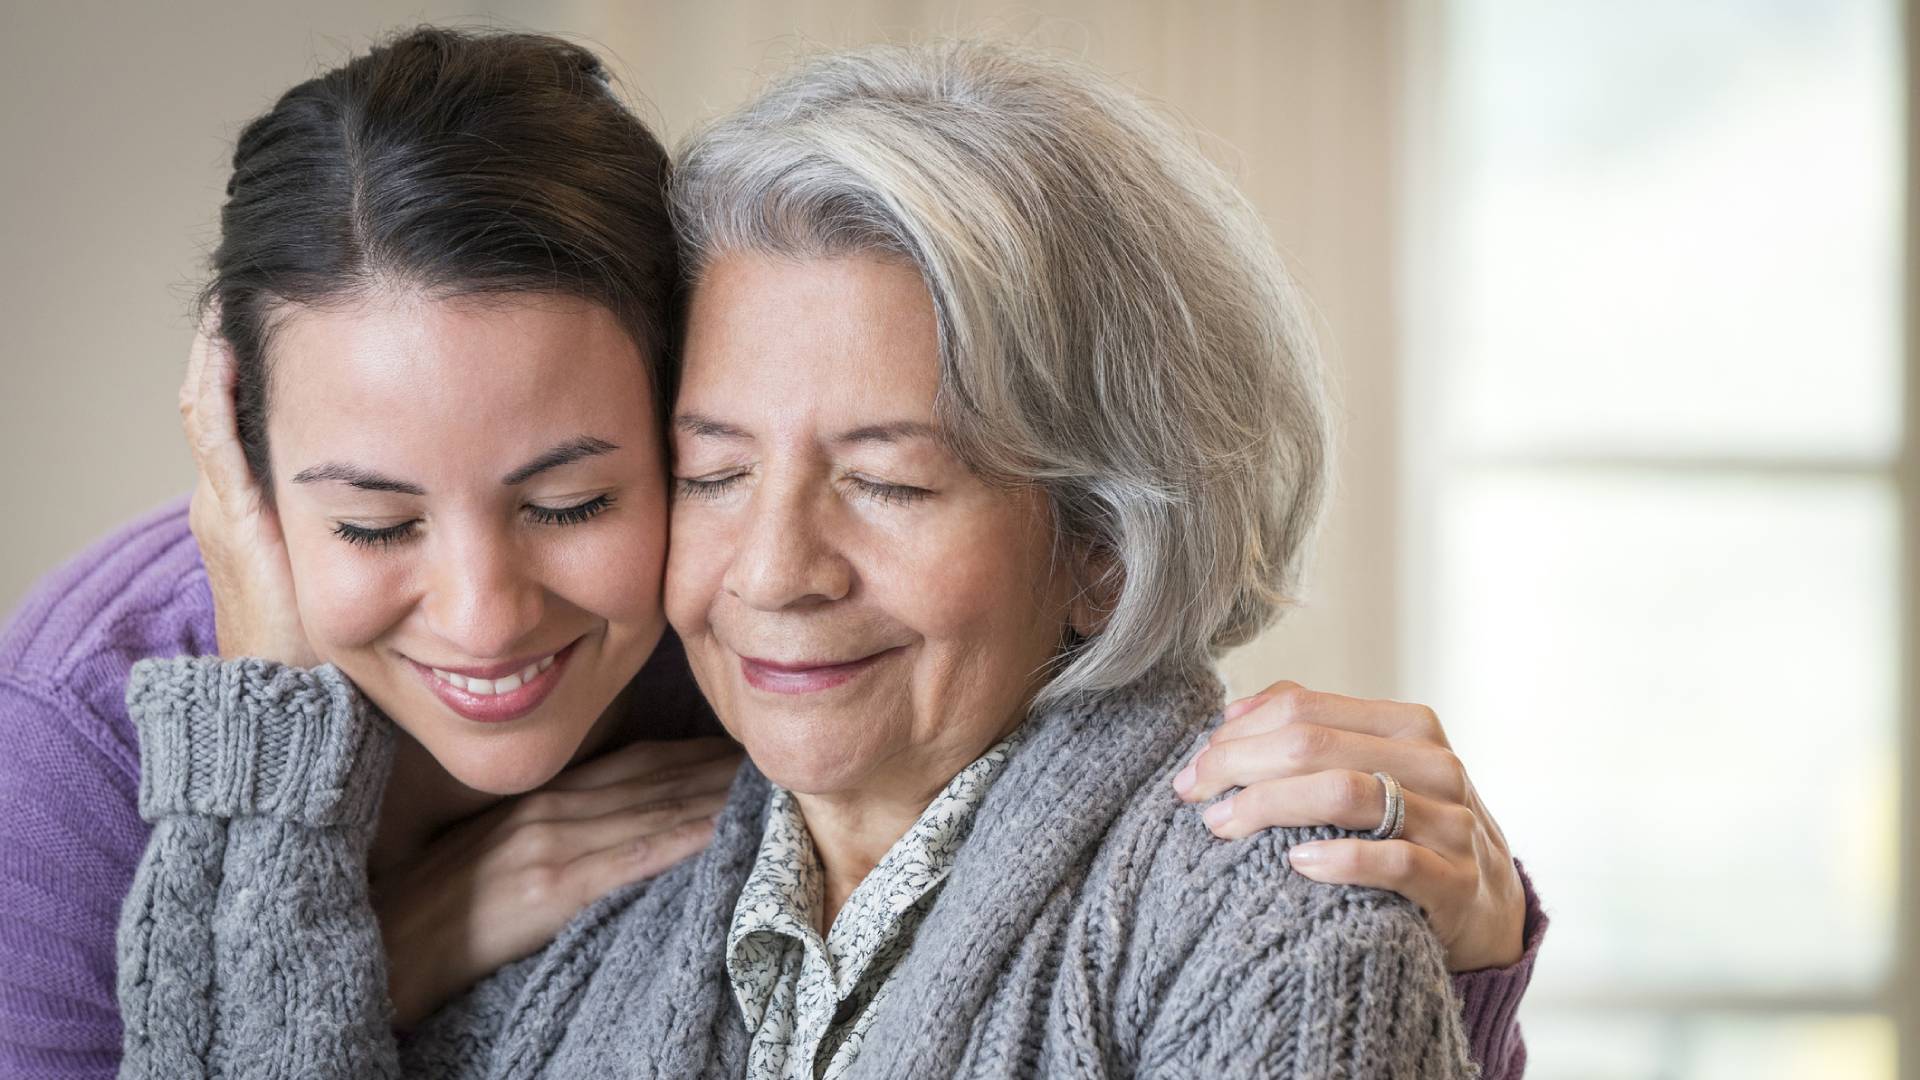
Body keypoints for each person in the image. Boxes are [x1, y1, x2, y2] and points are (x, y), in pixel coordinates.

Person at [106, 38, 1542, 1078]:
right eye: (712, 472)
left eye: (890, 481)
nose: (775, 571)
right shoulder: (598, 909)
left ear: (1101, 539)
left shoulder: (1269, 925)